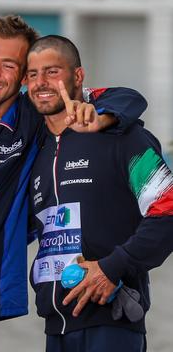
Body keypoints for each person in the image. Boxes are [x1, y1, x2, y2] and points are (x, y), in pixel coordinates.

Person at [0, 15, 147, 352]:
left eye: (8, 65)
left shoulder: (32, 118)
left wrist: (103, 116)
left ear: (23, 78)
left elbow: (126, 97)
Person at [26, 34, 173, 352]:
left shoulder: (125, 137)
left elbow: (168, 210)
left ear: (77, 76)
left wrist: (112, 267)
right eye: (33, 74)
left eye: (52, 71)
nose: (41, 82)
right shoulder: (34, 149)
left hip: (113, 322)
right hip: (56, 326)